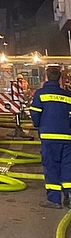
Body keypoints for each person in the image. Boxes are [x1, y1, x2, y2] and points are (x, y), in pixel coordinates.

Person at [29, 65, 71, 209]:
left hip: (48, 136)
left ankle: (54, 200)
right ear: (60, 77)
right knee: (67, 166)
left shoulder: (40, 94)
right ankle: (69, 195)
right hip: (67, 137)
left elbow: (35, 113)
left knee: (51, 166)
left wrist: (39, 126)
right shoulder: (67, 95)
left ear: (47, 76)